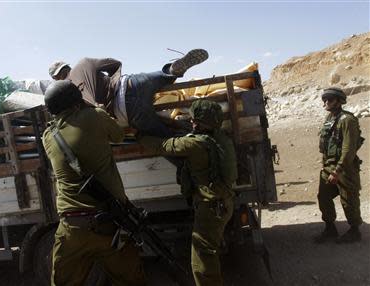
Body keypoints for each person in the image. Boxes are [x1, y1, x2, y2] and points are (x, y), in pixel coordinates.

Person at [41, 80, 146, 286]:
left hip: (73, 228)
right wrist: (94, 108)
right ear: (76, 101)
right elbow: (118, 135)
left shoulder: (48, 137)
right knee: (130, 280)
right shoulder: (95, 117)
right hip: (111, 222)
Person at [138, 99, 238, 286]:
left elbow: (165, 146)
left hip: (210, 208)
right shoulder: (222, 139)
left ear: (202, 123)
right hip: (224, 202)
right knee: (208, 253)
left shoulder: (195, 144)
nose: (191, 123)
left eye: (194, 120)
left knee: (201, 259)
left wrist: (139, 137)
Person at [48, 49, 209, 138]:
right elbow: (115, 63)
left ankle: (186, 136)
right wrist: (113, 80)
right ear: (67, 66)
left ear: (56, 78)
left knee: (164, 136)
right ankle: (172, 70)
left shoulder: (65, 96)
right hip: (132, 83)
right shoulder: (84, 63)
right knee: (161, 76)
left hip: (126, 111)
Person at [314, 87, 364, 244]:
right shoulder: (329, 118)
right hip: (328, 166)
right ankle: (330, 229)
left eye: (330, 99)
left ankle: (354, 231)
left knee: (348, 200)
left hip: (345, 168)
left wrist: (337, 170)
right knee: (323, 197)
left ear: (339, 101)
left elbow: (348, 149)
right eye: (325, 100)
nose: (326, 102)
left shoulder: (347, 120)